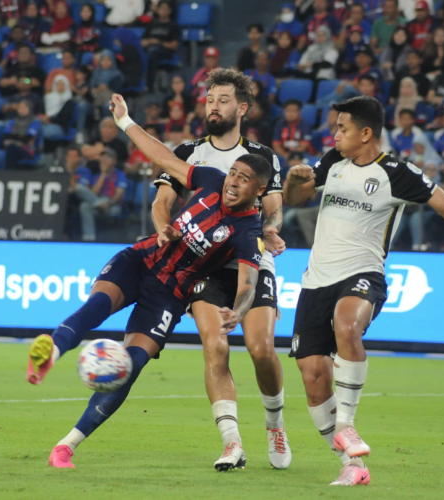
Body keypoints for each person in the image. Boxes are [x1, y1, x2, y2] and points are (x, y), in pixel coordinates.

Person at [282, 95, 444, 486]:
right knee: (313, 377)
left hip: (363, 273)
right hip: (315, 280)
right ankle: (353, 463)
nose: (334, 135)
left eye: (342, 128)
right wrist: (296, 182)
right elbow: (295, 198)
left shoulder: (398, 173)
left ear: (366, 133)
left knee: (346, 326)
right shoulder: (331, 162)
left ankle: (347, 424)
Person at [26, 92, 271, 470]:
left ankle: (66, 446)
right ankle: (51, 353)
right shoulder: (208, 177)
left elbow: (248, 283)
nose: (234, 181)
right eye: (234, 173)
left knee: (130, 366)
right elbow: (162, 157)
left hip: (170, 295)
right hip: (141, 261)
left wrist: (238, 311)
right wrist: (125, 121)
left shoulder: (248, 230)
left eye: (245, 179)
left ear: (259, 190)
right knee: (95, 307)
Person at [151, 68, 290, 471]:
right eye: (210, 99)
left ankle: (275, 423)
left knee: (262, 350)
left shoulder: (263, 157)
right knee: (216, 346)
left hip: (249, 261)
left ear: (241, 107)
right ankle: (232, 443)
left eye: (223, 100)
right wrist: (164, 228)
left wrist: (270, 229)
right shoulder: (188, 152)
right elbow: (163, 201)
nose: (214, 106)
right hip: (203, 264)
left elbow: (274, 208)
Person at [78, 147, 127, 241]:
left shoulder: (120, 174)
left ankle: (101, 203)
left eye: (108, 158)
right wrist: (103, 174)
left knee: (102, 200)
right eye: (102, 158)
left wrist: (108, 204)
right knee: (84, 205)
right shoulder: (97, 176)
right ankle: (89, 238)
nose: (104, 161)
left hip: (113, 206)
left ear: (114, 161)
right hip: (98, 206)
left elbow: (119, 194)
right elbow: (93, 193)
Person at [141, 0, 179, 90]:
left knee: (153, 53)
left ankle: (150, 85)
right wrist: (147, 42)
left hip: (165, 51)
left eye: (166, 9)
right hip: (149, 49)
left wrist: (158, 42)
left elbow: (174, 45)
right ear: (157, 10)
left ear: (170, 11)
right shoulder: (152, 25)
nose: (163, 11)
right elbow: (142, 41)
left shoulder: (173, 26)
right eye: (161, 8)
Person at [3, 100, 42, 170]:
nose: (21, 109)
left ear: (29, 108)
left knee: (12, 148)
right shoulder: (13, 121)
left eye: (24, 107)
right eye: (19, 107)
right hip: (13, 148)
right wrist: (19, 139)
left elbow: (27, 139)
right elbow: (6, 137)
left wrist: (14, 138)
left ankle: (8, 173)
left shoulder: (35, 121)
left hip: (28, 151)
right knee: (11, 148)